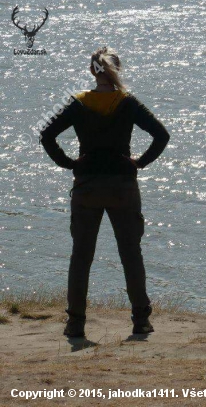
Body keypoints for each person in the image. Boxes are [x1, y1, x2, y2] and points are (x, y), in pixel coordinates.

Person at [40, 47, 170, 337]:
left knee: (81, 256)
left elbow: (46, 134)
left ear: (91, 71)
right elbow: (162, 135)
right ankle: (141, 321)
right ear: (117, 70)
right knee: (130, 254)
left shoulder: (78, 101)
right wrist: (139, 162)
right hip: (122, 187)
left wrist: (69, 163)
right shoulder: (127, 101)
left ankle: (75, 323)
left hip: (87, 187)